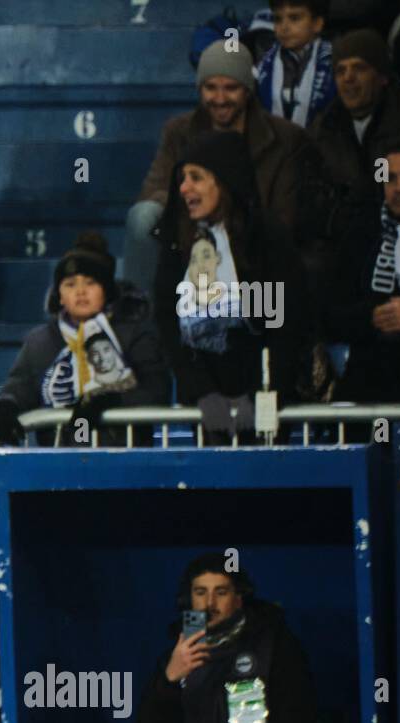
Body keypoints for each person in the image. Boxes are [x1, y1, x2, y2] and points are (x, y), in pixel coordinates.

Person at [122, 39, 318, 297]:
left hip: (255, 243)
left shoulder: (286, 138)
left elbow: (285, 217)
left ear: (247, 90)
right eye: (211, 88)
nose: (220, 98)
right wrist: (198, 212)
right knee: (142, 217)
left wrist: (226, 217)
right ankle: (137, 311)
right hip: (192, 232)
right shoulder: (178, 131)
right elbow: (154, 192)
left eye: (231, 88)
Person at [152, 131, 310, 441]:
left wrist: (262, 395)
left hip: (265, 404)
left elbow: (283, 327)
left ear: (224, 181)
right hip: (205, 407)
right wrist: (203, 392)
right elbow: (168, 324)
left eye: (196, 177)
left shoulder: (263, 239)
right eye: (183, 178)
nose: (183, 188)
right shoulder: (177, 243)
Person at [135, 553, 318, 723]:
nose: (209, 603)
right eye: (200, 592)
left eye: (220, 592)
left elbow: (294, 719)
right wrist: (170, 680)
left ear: (239, 599)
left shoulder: (272, 643)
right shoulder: (179, 655)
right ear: (188, 600)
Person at [0, 233, 170, 448]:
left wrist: (111, 401)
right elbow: (18, 388)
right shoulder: (39, 342)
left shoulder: (133, 334)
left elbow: (158, 390)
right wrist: (5, 407)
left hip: (123, 457)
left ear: (106, 291)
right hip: (59, 461)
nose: (81, 292)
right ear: (59, 295)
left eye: (91, 283)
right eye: (70, 284)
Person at [320, 138, 400, 402]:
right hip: (369, 386)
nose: (399, 187)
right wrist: (372, 316)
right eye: (391, 178)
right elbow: (329, 315)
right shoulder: (361, 233)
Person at [309, 28, 400, 206]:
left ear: (383, 77)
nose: (348, 78)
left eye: (359, 68)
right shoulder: (324, 128)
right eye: (340, 71)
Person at [254, 1, 335, 128]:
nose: (284, 27)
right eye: (278, 19)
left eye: (294, 18)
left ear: (317, 24)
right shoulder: (262, 68)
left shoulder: (335, 62)